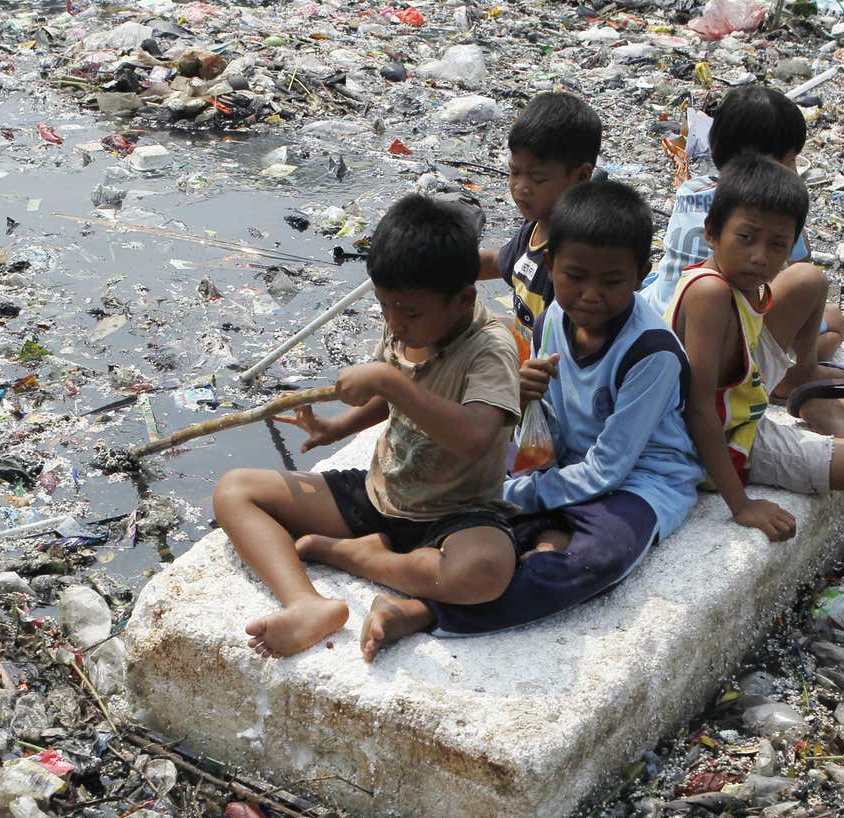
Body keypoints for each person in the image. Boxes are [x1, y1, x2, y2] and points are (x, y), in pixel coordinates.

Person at [348, 180, 703, 651]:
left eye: (612, 281)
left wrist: (519, 491)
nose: (590, 295)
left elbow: (611, 467)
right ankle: (456, 555)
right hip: (566, 465)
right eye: (575, 276)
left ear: (642, 274)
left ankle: (426, 610)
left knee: (595, 563)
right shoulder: (556, 316)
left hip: (641, 482)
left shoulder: (651, 353)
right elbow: (549, 423)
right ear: (551, 266)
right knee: (478, 526)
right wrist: (527, 396)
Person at [213, 194, 521, 660]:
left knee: (485, 573)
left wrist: (388, 382)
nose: (395, 325)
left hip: (454, 513)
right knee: (235, 491)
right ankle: (307, 604)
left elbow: (476, 436)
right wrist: (338, 427)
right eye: (385, 307)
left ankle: (353, 555)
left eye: (410, 312)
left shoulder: (490, 349)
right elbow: (389, 399)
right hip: (382, 494)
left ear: (463, 300)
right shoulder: (407, 325)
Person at [665, 153, 844, 543]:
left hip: (743, 391)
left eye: (777, 245)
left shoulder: (736, 282)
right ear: (711, 233)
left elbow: (792, 280)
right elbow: (697, 409)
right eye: (746, 238)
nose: (760, 257)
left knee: (809, 279)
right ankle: (832, 417)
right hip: (723, 439)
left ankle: (802, 378)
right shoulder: (708, 292)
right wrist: (741, 505)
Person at [643, 85, 844, 396]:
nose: (794, 172)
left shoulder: (691, 190)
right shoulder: (772, 219)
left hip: (663, 314)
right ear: (767, 164)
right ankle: (794, 377)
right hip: (721, 340)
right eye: (791, 161)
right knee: (831, 320)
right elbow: (796, 282)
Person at [479, 91, 602, 336]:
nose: (521, 188)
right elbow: (498, 262)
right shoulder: (536, 227)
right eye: (514, 172)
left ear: (582, 176)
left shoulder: (576, 254)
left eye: (537, 178)